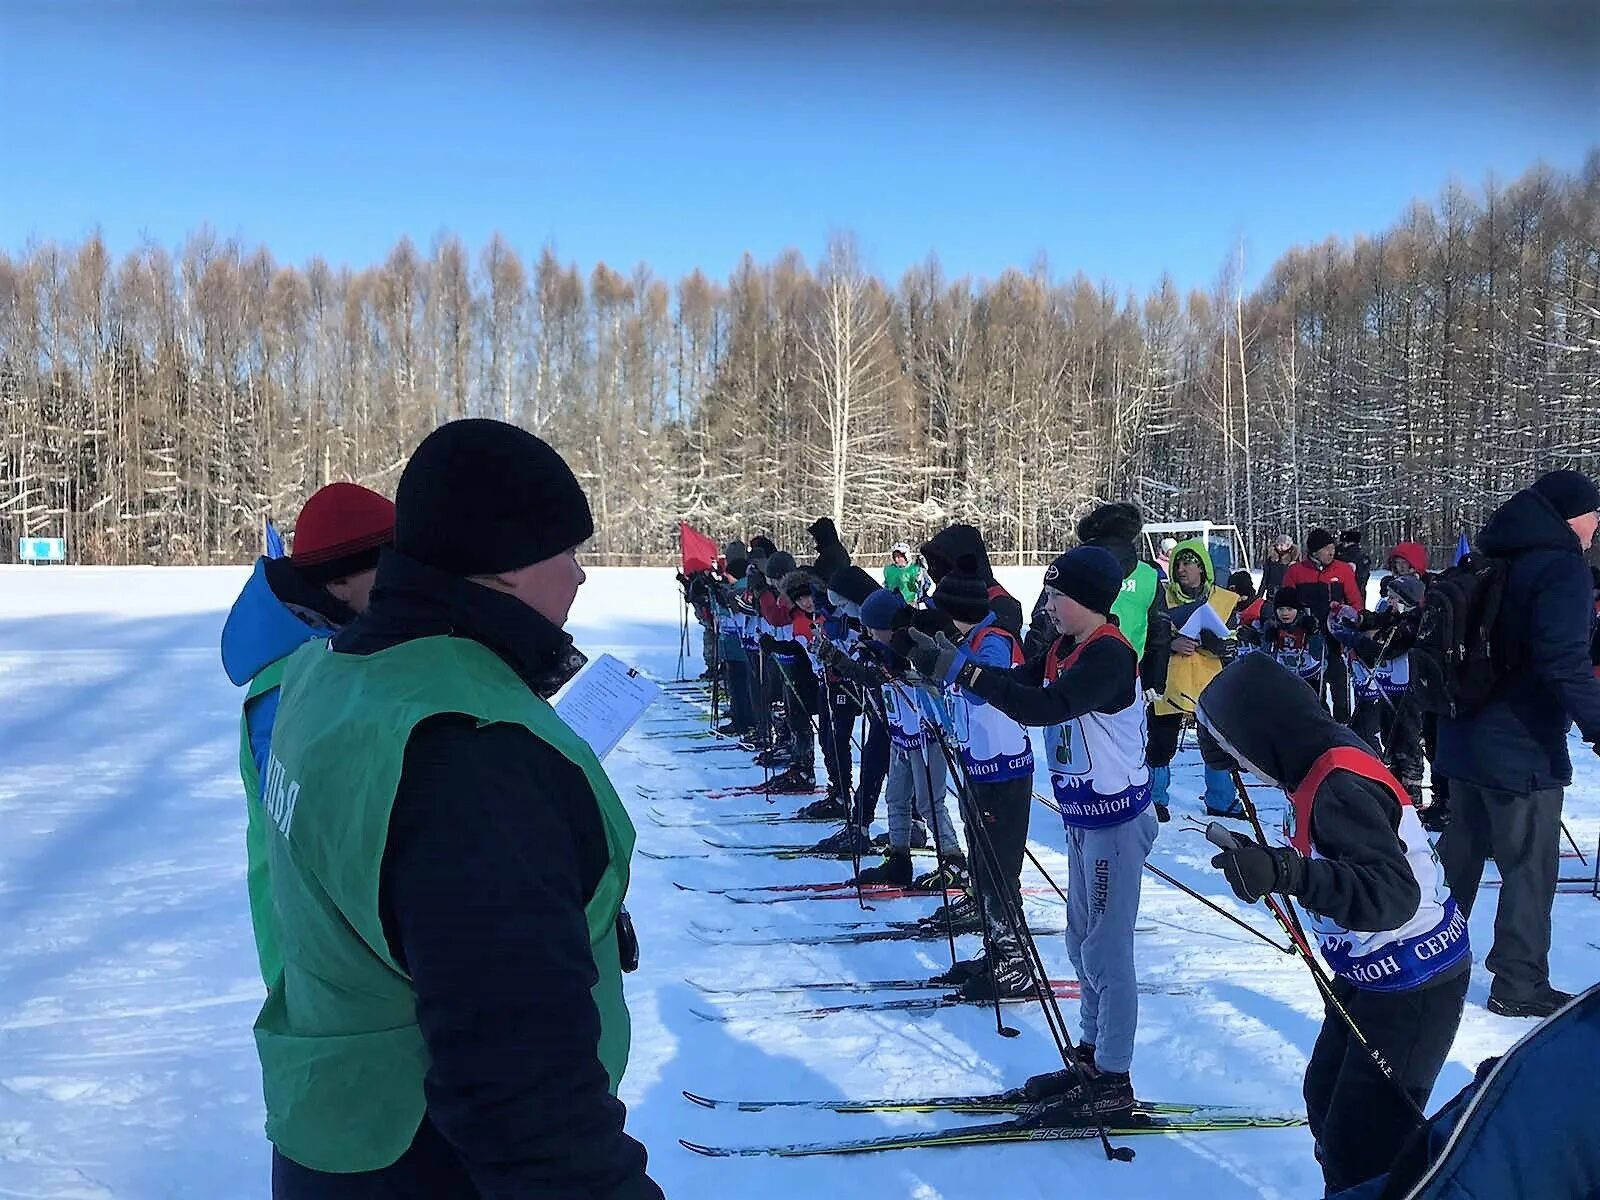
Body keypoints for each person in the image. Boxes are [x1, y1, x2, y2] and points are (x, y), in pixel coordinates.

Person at [257, 419, 661, 1198]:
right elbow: (522, 1095)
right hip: (434, 1162)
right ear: (504, 568)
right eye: (568, 551)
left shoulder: (324, 676)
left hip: (335, 1133)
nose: (581, 575)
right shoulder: (470, 753)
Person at [1197, 653, 1470, 1198]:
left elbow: (1391, 896)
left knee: (1363, 1144)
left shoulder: (1335, 783)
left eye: (1239, 757)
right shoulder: (1315, 766)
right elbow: (1343, 861)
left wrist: (1286, 872)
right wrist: (1272, 865)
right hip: (1371, 974)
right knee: (1325, 1101)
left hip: (1413, 982)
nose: (1246, 772)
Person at [932, 546, 1156, 1122]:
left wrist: (970, 671)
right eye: (1050, 594)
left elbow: (1042, 706)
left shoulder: (1106, 655)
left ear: (1087, 601)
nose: (1048, 604)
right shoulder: (1062, 647)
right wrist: (940, 660)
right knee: (1081, 941)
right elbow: (1014, 682)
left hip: (1116, 821)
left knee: (1107, 950)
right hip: (1085, 817)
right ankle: (1090, 1057)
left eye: (1058, 596)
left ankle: (1114, 1076)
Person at [1435, 469, 1600, 1018]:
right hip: (1521, 748)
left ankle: (1422, 961)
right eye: (1593, 513)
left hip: (1464, 737)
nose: (1597, 524)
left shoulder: (1492, 555)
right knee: (1529, 868)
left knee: (1457, 861)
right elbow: (1564, 660)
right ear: (1570, 516)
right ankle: (1519, 982)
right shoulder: (1561, 568)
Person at [220, 481, 396, 986]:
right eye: (392, 567)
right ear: (339, 584)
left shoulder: (339, 655)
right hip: (320, 972)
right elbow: (338, 833)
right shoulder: (291, 688)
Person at [906, 555, 1036, 994]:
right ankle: (997, 952)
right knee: (982, 868)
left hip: (1004, 771)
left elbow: (986, 692)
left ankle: (1014, 962)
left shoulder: (994, 639)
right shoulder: (971, 638)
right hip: (979, 765)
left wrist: (949, 663)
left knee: (999, 871)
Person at [819, 588, 965, 888]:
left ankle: (953, 860)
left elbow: (909, 673)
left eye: (874, 628)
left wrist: (874, 662)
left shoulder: (913, 640)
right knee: (895, 797)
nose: (870, 632)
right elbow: (872, 676)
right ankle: (898, 860)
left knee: (928, 802)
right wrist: (842, 662)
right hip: (902, 733)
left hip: (927, 734)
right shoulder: (882, 646)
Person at [1144, 538, 1241, 819]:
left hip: (1210, 682)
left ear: (1202, 568)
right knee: (1161, 743)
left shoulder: (1223, 600)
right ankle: (1155, 798)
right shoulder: (1160, 595)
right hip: (1170, 681)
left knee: (1216, 741)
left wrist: (1219, 644)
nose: (1181, 569)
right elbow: (1147, 633)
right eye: (1178, 564)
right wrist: (1171, 642)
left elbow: (1232, 641)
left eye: (1188, 563)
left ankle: (1221, 799)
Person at [1024, 502, 1162, 663]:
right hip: (1128, 674)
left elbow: (1044, 624)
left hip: (1071, 671)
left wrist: (1030, 671)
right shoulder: (1149, 576)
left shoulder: (1075, 568)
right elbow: (1159, 639)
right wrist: (1154, 685)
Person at [1331, 576, 1425, 804]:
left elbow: (1384, 649)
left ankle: (1412, 789)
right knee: (1389, 734)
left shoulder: (1412, 624)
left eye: (1393, 598)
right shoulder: (1394, 616)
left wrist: (1355, 640)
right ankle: (1393, 782)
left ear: (1406, 601)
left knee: (1407, 738)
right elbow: (1376, 619)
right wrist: (1356, 617)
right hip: (1389, 686)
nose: (1389, 602)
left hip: (1407, 692)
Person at [1284, 528, 1364, 723]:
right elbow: (1285, 603)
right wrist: (1300, 620)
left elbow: (1356, 602)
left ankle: (1343, 725)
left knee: (1340, 689)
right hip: (1308, 641)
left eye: (1332, 547)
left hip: (1337, 640)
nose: (1331, 552)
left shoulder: (1342, 570)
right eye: (1326, 549)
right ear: (1314, 551)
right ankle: (1322, 725)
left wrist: (1352, 620)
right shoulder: (1296, 571)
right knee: (1313, 690)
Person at [920, 523, 1025, 635]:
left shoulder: (1000, 607)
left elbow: (986, 648)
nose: (932, 572)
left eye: (938, 566)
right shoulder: (953, 597)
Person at [1237, 585, 1325, 689]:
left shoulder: (1308, 625)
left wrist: (1314, 634)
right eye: (1280, 609)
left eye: (1289, 609)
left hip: (1309, 678)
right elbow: (1265, 655)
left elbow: (1318, 655)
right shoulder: (1272, 626)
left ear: (1298, 609)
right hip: (1283, 677)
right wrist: (1261, 639)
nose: (1284, 613)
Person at [1257, 533, 1298, 600]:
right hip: (1272, 594)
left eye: (1281, 545)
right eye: (1277, 545)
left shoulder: (1295, 559)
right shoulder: (1271, 559)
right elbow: (1265, 579)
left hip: (1290, 595)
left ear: (1288, 545)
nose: (1279, 547)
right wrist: (1259, 596)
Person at [1336, 528, 1373, 598]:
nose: (1342, 545)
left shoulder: (1353, 556)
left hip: (1351, 596)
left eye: (1345, 543)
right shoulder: (1362, 556)